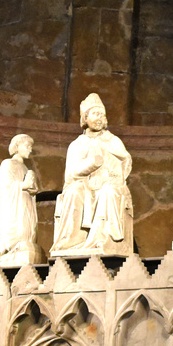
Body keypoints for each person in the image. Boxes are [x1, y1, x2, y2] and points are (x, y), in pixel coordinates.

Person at [51, 94, 133, 256]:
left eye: (102, 115)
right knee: (73, 192)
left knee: (108, 192)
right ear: (85, 118)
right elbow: (71, 175)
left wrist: (114, 175)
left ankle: (102, 238)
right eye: (95, 114)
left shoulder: (113, 141)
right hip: (84, 186)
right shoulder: (77, 145)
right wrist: (91, 164)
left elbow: (125, 162)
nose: (99, 118)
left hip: (109, 185)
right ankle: (71, 240)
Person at [0, 134, 42, 265]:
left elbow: (29, 188)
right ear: (17, 146)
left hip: (25, 204)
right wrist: (23, 185)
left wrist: (32, 188)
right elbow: (3, 185)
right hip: (14, 206)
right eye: (27, 146)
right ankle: (9, 249)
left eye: (31, 147)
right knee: (19, 232)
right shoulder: (7, 164)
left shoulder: (25, 168)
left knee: (28, 234)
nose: (30, 149)